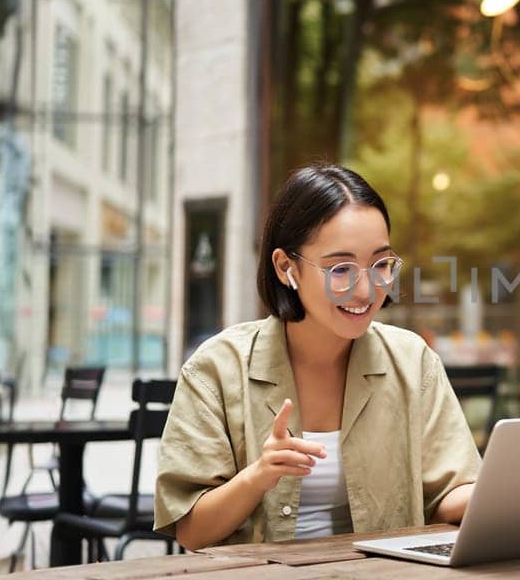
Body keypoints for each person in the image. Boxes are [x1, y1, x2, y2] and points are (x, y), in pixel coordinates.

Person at [154, 164, 480, 549]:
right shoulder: (217, 368)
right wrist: (259, 475)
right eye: (341, 269)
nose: (365, 290)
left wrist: (513, 492)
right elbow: (192, 532)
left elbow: (448, 497)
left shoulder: (412, 362)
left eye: (381, 264)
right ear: (285, 267)